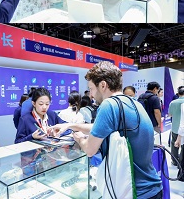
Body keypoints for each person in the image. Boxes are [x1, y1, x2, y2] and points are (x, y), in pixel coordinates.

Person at [50, 61, 163, 199]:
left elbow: (90, 150)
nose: (91, 95)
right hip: (152, 187)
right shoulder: (133, 103)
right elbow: (100, 128)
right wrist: (70, 125)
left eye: (91, 89)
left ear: (103, 85)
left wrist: (78, 138)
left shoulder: (108, 104)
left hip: (135, 192)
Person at [169, 86, 184, 170]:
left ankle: (174, 161)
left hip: (175, 127)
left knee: (174, 144)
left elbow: (170, 114)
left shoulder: (173, 102)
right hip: (183, 128)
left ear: (178, 93)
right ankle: (181, 162)